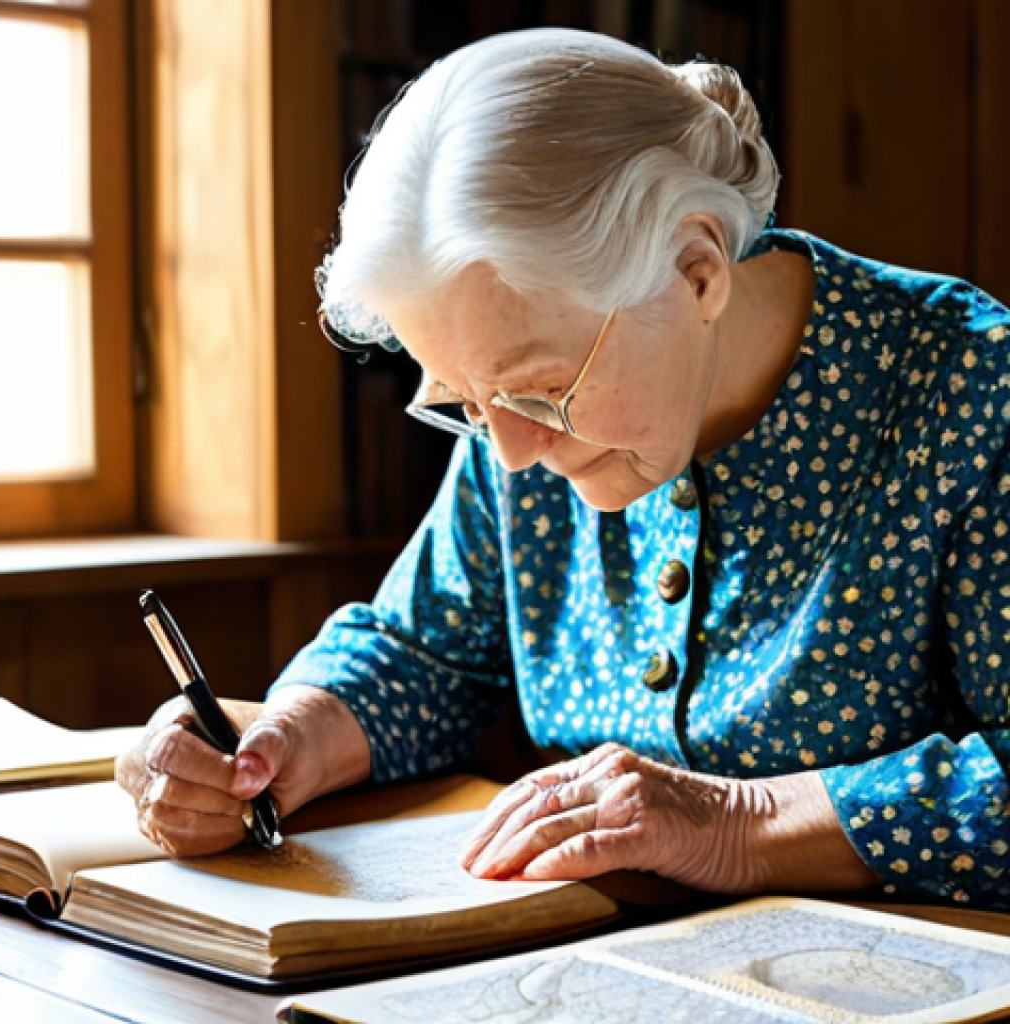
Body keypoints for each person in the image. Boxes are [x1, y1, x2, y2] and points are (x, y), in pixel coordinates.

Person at [117, 28, 1010, 908]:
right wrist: (286, 736)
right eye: (463, 401)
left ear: (696, 270)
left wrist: (737, 822)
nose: (506, 452)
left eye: (543, 391)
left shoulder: (969, 386)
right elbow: (424, 651)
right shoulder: (512, 420)